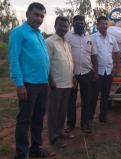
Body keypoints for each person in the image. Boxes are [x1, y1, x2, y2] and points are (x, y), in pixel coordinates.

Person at [8, 2, 55, 158]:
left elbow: (43, 59)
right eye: (36, 14)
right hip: (28, 84)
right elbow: (14, 59)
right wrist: (20, 85)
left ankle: (35, 148)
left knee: (38, 119)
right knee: (24, 120)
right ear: (27, 14)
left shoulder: (38, 34)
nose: (39, 18)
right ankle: (21, 154)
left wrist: (48, 80)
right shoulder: (19, 32)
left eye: (42, 16)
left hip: (42, 84)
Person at [46, 16, 75, 148]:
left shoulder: (66, 43)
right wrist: (50, 79)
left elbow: (70, 62)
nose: (63, 28)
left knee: (63, 110)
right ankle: (54, 137)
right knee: (53, 111)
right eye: (61, 25)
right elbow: (46, 64)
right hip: (56, 84)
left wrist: (73, 77)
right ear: (55, 26)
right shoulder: (49, 42)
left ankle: (61, 131)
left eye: (65, 26)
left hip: (67, 82)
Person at [65, 15, 98, 133]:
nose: (80, 24)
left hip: (87, 72)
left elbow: (94, 55)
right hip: (71, 73)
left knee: (86, 99)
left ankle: (85, 123)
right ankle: (71, 124)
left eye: (82, 23)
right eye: (77, 22)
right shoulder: (67, 36)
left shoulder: (90, 38)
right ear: (73, 24)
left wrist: (96, 72)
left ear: (85, 24)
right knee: (71, 100)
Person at [91, 16, 120, 123]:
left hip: (108, 71)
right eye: (102, 24)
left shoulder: (112, 38)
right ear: (97, 25)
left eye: (105, 24)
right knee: (93, 96)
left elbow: (116, 52)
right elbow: (89, 54)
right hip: (97, 73)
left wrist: (117, 66)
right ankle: (90, 117)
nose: (104, 26)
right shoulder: (92, 38)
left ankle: (103, 116)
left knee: (105, 96)